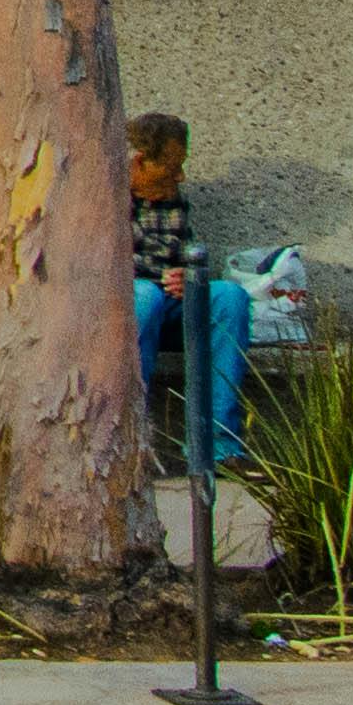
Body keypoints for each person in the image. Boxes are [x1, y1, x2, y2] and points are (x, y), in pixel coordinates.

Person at [129, 110, 255, 468]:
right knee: (143, 297)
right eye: (171, 168)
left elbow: (187, 252)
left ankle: (218, 446)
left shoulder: (171, 197)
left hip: (167, 300)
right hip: (126, 305)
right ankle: (128, 443)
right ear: (140, 162)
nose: (180, 176)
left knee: (230, 297)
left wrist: (188, 275)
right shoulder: (98, 196)